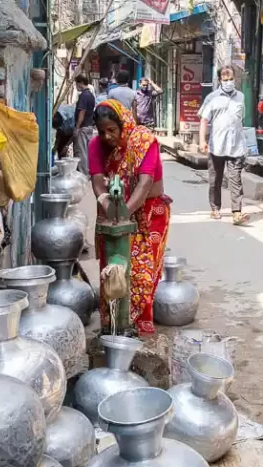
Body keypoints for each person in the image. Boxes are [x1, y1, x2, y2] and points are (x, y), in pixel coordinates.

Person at [88, 99, 171, 334]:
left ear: (124, 125)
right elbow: (97, 182)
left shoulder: (143, 141)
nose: (106, 137)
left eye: (112, 130)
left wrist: (124, 213)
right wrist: (106, 203)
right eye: (101, 131)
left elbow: (144, 185)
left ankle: (138, 321)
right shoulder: (95, 145)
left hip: (148, 211)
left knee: (141, 270)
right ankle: (112, 320)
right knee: (112, 264)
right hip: (111, 211)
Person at [198, 66, 248, 226]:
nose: (229, 82)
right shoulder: (212, 97)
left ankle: (237, 212)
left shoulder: (241, 96)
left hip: (236, 146)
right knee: (215, 180)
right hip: (217, 146)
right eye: (225, 80)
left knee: (235, 180)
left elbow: (242, 119)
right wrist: (202, 141)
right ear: (219, 80)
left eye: (231, 79)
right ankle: (215, 208)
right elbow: (204, 120)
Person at [73, 74, 96, 175]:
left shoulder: (83, 95)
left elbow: (82, 112)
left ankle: (83, 174)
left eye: (77, 84)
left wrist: (77, 127)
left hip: (83, 127)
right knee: (87, 151)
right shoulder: (90, 95)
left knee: (82, 152)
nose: (76, 86)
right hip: (89, 126)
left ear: (81, 83)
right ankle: (88, 171)